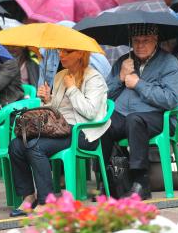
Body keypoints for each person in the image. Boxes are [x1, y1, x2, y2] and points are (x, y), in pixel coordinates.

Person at [8, 49, 110, 216]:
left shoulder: (94, 78)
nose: (61, 55)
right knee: (16, 145)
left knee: (34, 147)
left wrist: (72, 89)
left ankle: (46, 201)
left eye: (67, 52)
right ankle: (28, 196)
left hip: (83, 132)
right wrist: (47, 100)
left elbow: (91, 112)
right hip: (60, 129)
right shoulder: (61, 76)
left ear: (80, 55)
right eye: (60, 51)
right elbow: (56, 111)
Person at [101, 24, 178, 200]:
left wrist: (139, 84)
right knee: (102, 124)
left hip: (156, 116)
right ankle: (108, 181)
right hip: (123, 114)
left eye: (145, 41)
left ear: (155, 41)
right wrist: (120, 77)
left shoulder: (169, 63)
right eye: (136, 41)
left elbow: (171, 99)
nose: (139, 45)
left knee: (134, 120)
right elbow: (105, 96)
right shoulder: (124, 61)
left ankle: (141, 182)